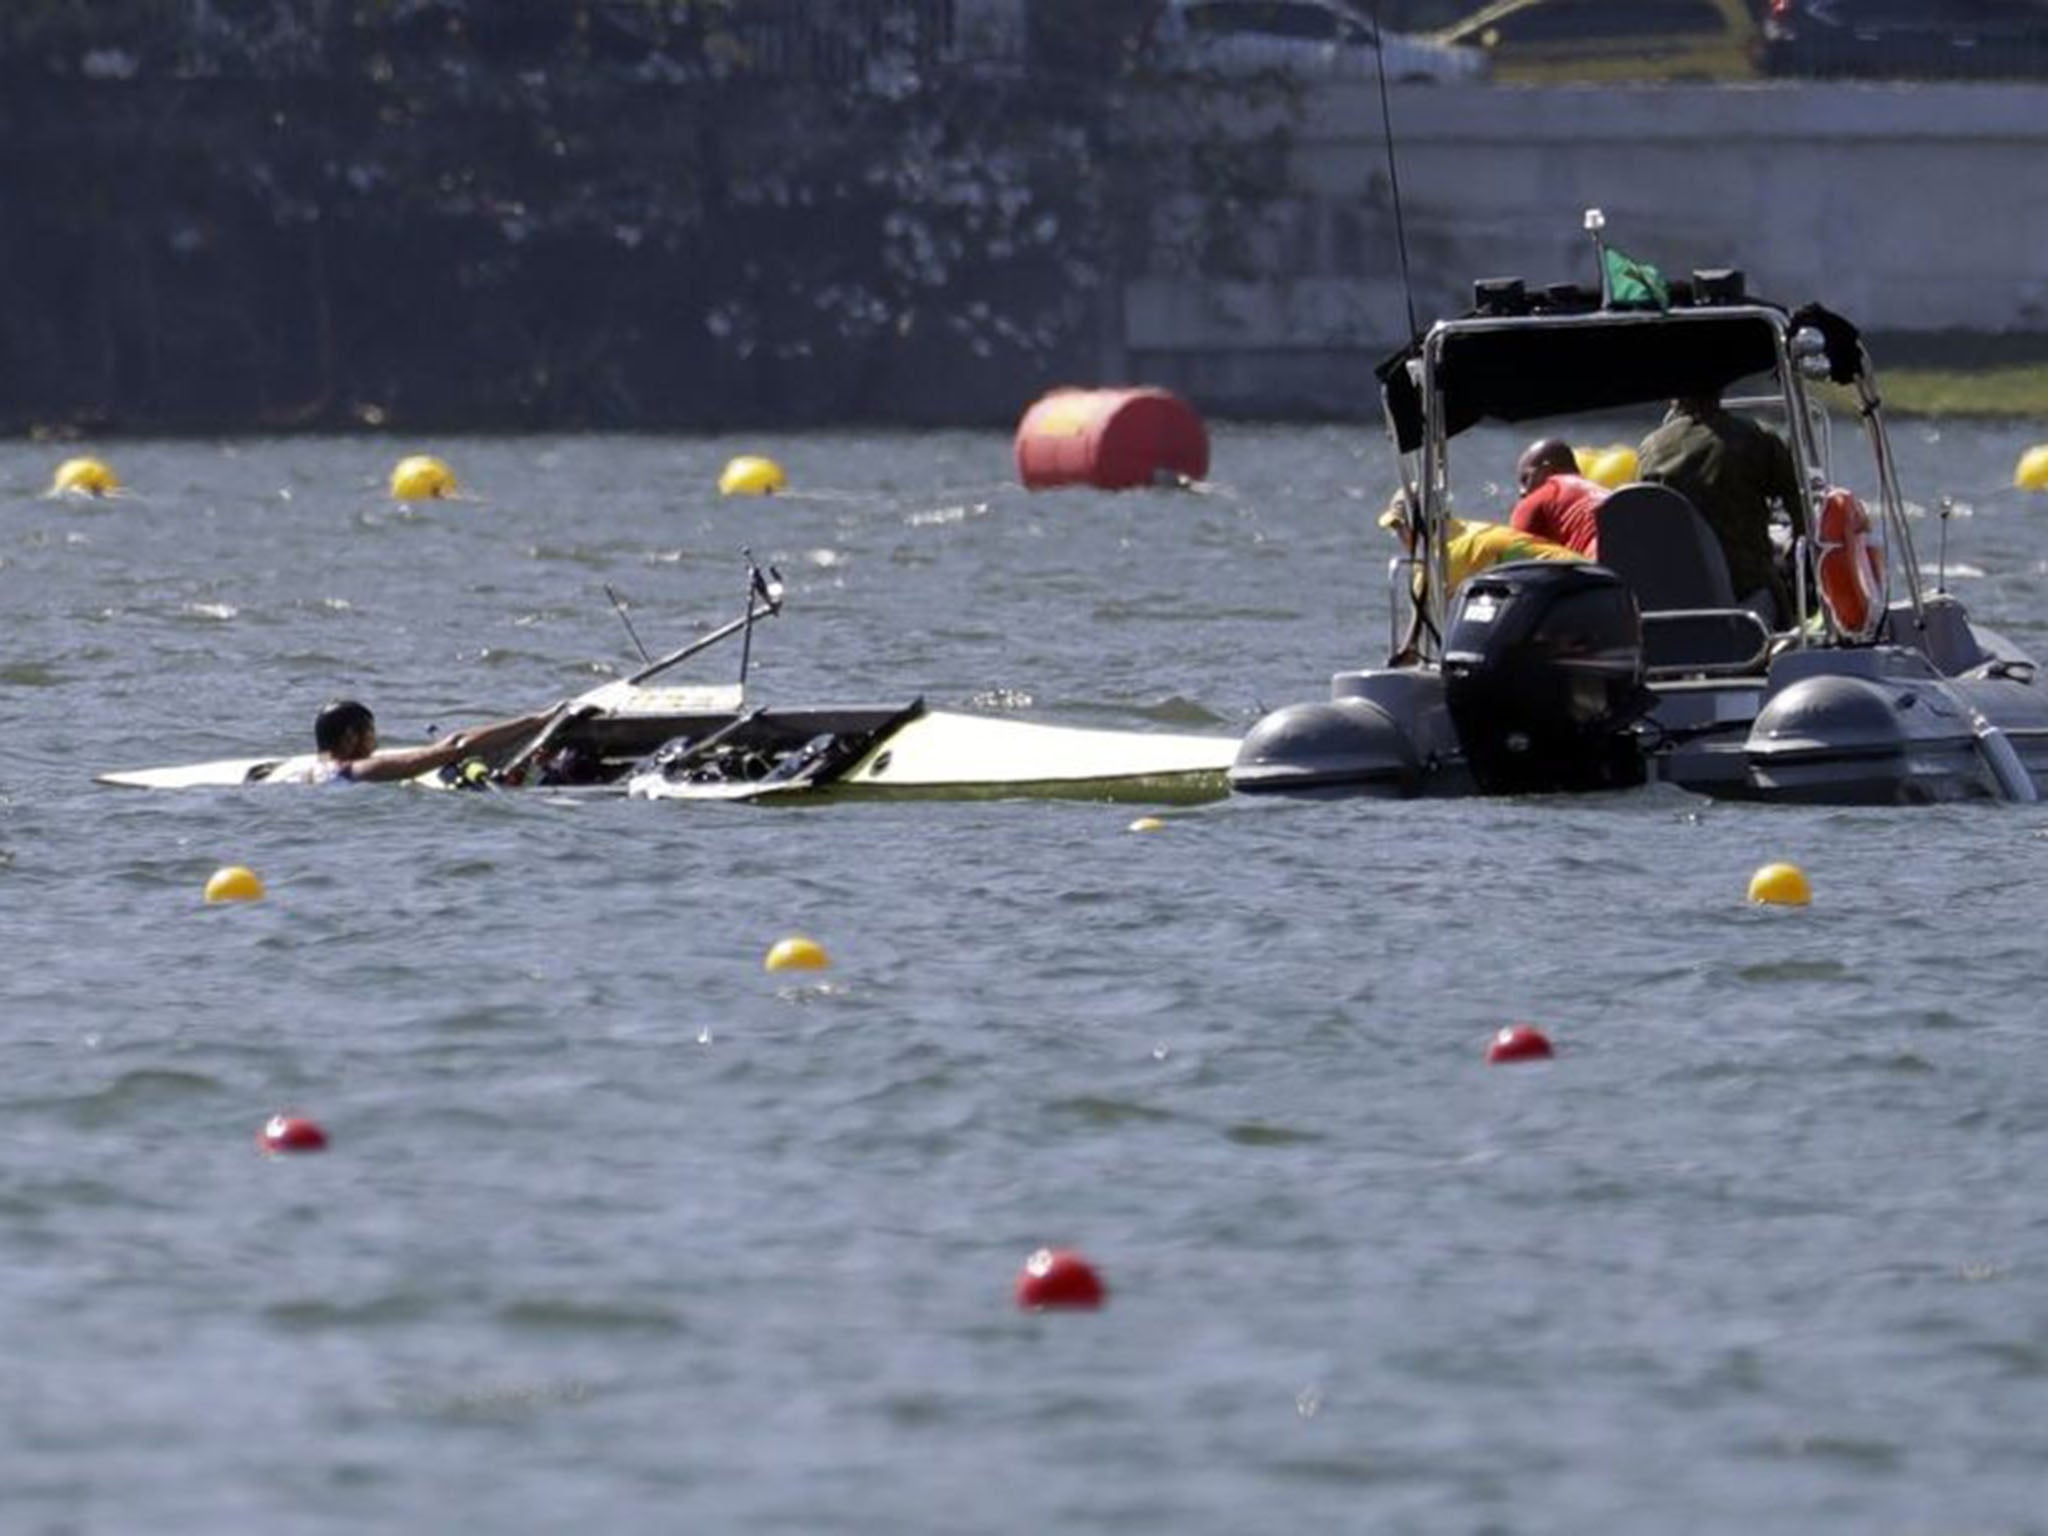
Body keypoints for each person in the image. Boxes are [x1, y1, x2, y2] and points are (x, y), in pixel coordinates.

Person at [1636, 390, 1808, 621]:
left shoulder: (1650, 448)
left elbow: (1644, 515)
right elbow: (1800, 506)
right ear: (1719, 392)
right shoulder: (1757, 438)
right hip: (1745, 593)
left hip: (1675, 597)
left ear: (1675, 399)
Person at [266, 697, 559, 785]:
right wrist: (538, 721)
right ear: (350, 737)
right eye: (371, 733)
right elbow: (458, 748)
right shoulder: (359, 771)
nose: (376, 743)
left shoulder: (305, 773)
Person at [1507, 438, 1605, 556]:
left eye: (1526, 479)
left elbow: (1514, 555)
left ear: (1547, 469)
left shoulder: (1546, 492)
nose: (1522, 492)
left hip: (1602, 561)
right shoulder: (1601, 491)